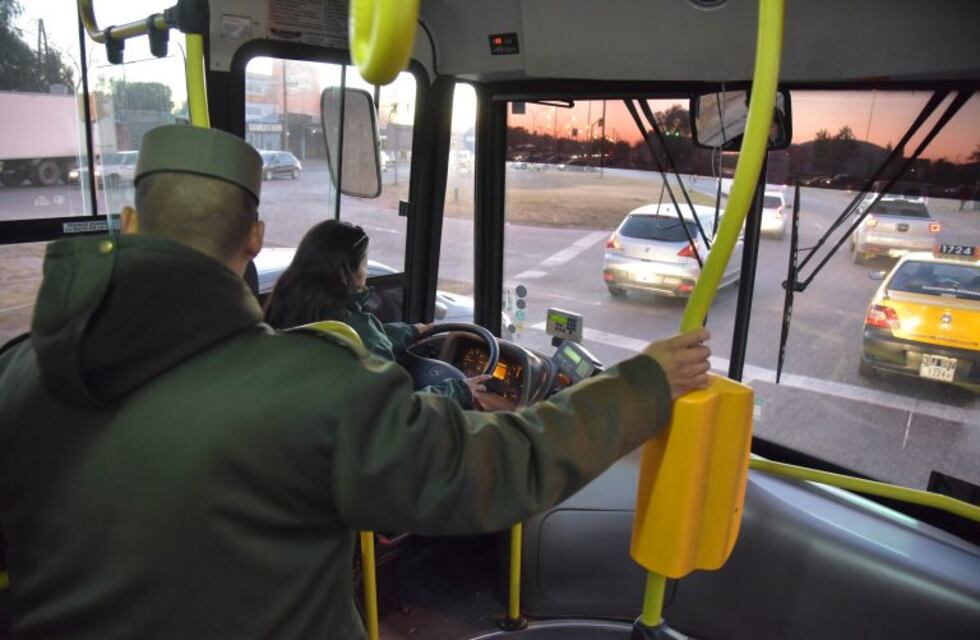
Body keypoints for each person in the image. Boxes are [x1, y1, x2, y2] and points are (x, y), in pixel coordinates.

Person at [0, 125, 711, 640]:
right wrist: (644, 383)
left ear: (127, 224)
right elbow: (501, 467)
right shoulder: (313, 388)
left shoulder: (19, 371)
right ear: (254, 238)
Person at [263, 219, 491, 409]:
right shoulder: (351, 324)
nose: (366, 271)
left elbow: (366, 342)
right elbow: (396, 410)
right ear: (344, 274)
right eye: (364, 263)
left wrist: (410, 332)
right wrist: (459, 390)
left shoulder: (288, 305)